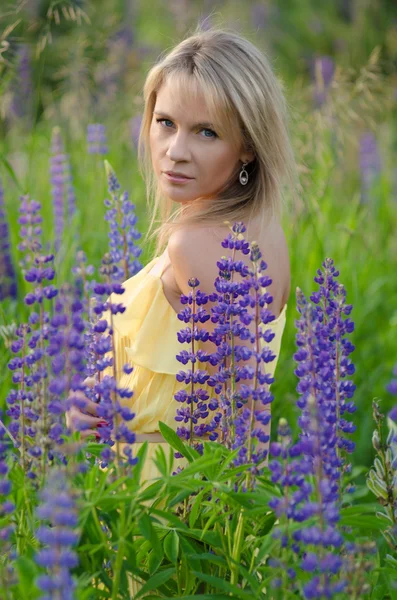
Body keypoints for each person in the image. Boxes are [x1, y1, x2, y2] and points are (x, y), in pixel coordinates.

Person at [66, 24, 298, 595]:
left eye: (206, 132)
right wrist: (106, 400)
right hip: (204, 506)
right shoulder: (262, 228)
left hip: (165, 507)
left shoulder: (193, 245)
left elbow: (225, 413)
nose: (175, 149)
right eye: (165, 121)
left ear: (247, 145)